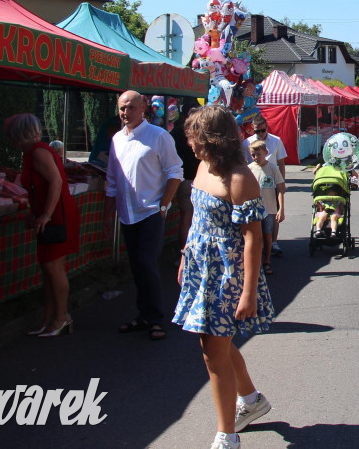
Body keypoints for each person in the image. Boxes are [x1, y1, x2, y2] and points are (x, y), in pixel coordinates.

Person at [174, 104, 274, 449]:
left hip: (227, 275)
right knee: (219, 343)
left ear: (215, 139)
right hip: (202, 268)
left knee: (211, 350)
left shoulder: (240, 178)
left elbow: (253, 238)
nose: (191, 144)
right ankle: (250, 399)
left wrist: (248, 292)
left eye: (196, 138)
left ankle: (226, 435)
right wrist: (186, 257)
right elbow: (198, 220)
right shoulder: (203, 166)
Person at [105, 91, 183, 342]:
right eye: (121, 108)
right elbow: (111, 180)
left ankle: (156, 318)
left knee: (148, 265)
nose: (124, 113)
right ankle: (144, 315)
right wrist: (109, 217)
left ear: (143, 108)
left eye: (129, 107)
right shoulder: (117, 139)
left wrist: (163, 206)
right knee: (137, 266)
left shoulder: (159, 136)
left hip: (150, 212)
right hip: (127, 214)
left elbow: (175, 172)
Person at [4, 114, 81, 337]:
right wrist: (35, 212)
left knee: (53, 267)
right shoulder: (32, 153)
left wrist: (45, 214)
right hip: (52, 213)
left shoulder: (38, 151)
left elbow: (55, 181)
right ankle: (50, 318)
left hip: (58, 214)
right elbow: (38, 187)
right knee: (48, 268)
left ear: (19, 135)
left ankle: (62, 316)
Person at [242, 117, 287, 257]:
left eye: (263, 130)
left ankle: (273, 242)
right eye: (257, 131)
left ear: (267, 127)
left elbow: (281, 162)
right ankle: (259, 244)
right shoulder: (247, 142)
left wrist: (282, 183)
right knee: (256, 215)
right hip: (254, 182)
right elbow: (244, 163)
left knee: (273, 212)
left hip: (271, 180)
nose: (260, 133)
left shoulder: (276, 141)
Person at [247, 140, 285, 276]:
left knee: (267, 235)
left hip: (269, 209)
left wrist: (281, 209)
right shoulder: (249, 169)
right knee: (255, 237)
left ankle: (267, 261)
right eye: (253, 155)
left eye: (259, 154)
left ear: (266, 153)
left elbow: (280, 189)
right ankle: (254, 263)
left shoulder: (273, 168)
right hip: (254, 209)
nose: (256, 157)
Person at [172, 109, 202, 248]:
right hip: (198, 179)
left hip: (185, 178)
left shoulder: (177, 134)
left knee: (186, 217)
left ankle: (184, 252)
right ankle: (189, 253)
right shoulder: (201, 133)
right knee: (198, 218)